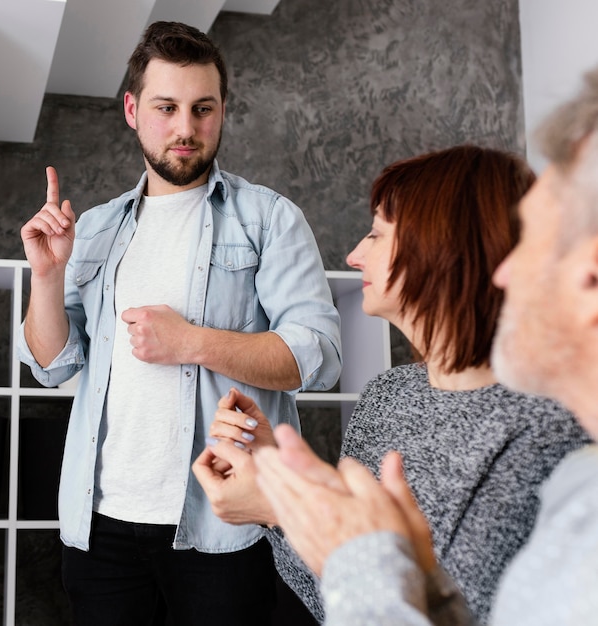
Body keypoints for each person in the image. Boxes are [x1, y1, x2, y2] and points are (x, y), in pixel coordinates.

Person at [17, 20, 342, 626]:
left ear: (222, 111)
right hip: (100, 524)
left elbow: (316, 357)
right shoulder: (94, 229)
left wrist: (190, 342)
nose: (186, 128)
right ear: (134, 110)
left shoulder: (270, 219)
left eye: (203, 108)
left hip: (222, 525)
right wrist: (46, 278)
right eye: (167, 107)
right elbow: (52, 364)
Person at [250, 66, 598, 625]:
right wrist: (283, 496)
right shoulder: (388, 394)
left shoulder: (554, 429)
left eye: (377, 235)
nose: (355, 256)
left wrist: (279, 506)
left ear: (440, 248)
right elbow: (344, 591)